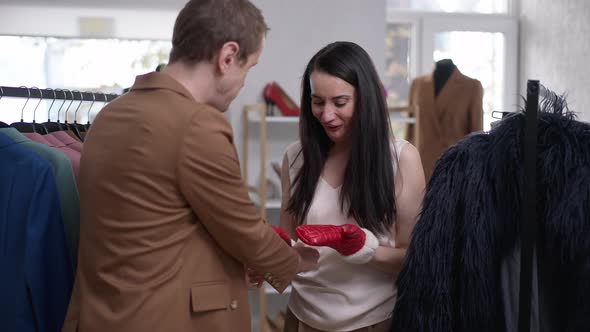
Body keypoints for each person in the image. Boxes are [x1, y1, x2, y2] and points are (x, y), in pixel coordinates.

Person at [61, 1, 319, 331]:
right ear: (228, 57)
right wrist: (296, 262)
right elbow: (244, 230)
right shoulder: (197, 125)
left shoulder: (109, 115)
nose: (243, 83)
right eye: (248, 68)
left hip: (103, 315)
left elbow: (156, 229)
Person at [278, 41, 426, 332]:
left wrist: (368, 249)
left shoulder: (401, 159)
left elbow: (416, 257)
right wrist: (270, 252)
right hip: (302, 318)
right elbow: (289, 245)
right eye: (317, 101)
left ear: (365, 98)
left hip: (373, 322)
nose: (327, 115)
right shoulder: (296, 157)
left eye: (340, 102)